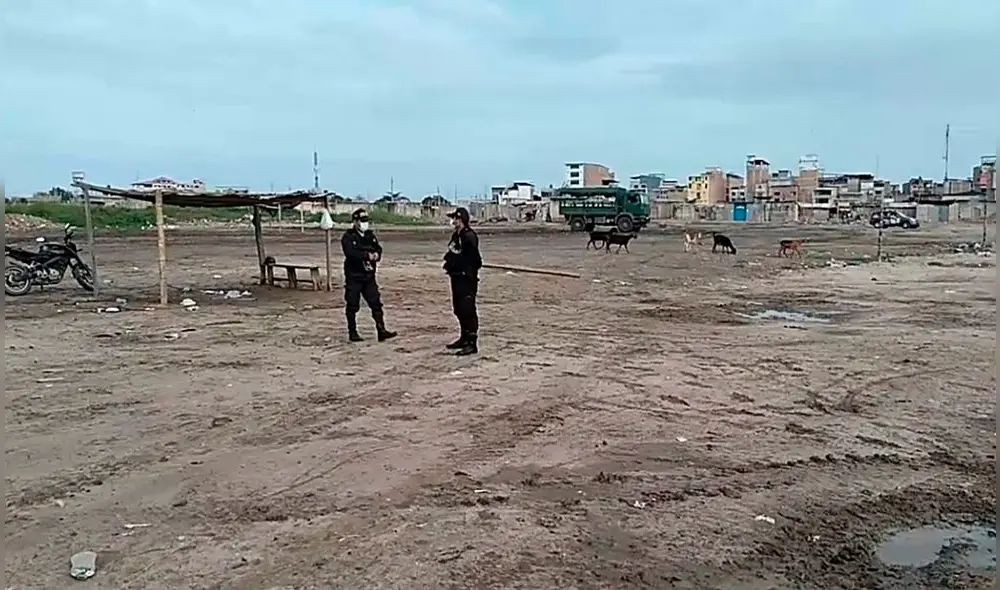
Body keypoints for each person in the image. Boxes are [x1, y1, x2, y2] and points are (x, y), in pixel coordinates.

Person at [341, 208, 397, 343]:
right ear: (355, 222)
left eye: (366, 221)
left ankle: (381, 330)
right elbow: (350, 253)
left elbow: (378, 248)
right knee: (352, 304)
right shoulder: (349, 236)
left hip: (368, 276)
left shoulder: (369, 235)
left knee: (376, 303)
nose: (364, 224)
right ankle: (352, 332)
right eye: (361, 221)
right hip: (354, 276)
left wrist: (376, 255)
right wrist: (366, 255)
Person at [442, 207, 482, 356]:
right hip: (456, 277)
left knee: (468, 309)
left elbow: (475, 259)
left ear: (462, 220)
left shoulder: (469, 237)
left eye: (456, 219)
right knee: (458, 309)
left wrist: (466, 270)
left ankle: (472, 342)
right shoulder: (456, 236)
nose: (454, 221)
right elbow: (452, 252)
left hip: (466, 278)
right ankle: (464, 337)